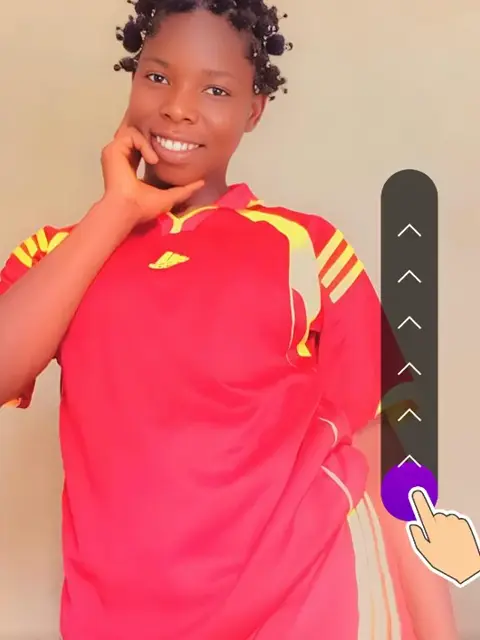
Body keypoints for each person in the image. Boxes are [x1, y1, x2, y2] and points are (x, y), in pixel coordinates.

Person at [0, 1, 458, 638]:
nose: (178, 107)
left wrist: (440, 631)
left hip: (309, 607)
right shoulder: (62, 255)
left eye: (215, 90)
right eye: (158, 76)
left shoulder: (307, 247)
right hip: (120, 620)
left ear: (254, 110)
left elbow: (388, 447)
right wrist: (115, 210)